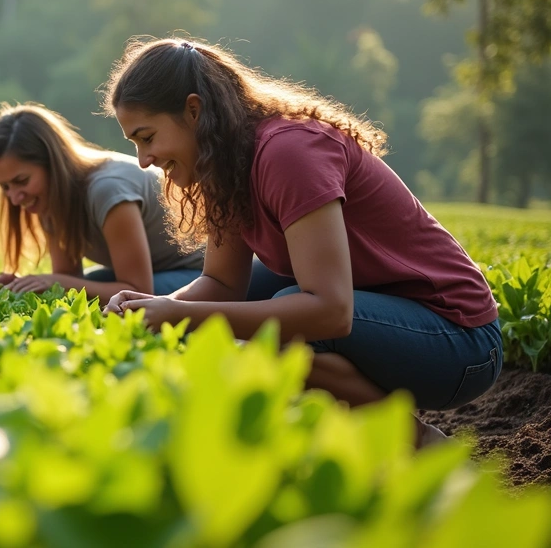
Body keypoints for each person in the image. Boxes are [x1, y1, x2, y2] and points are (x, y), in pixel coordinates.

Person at [101, 38, 501, 445]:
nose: (143, 161)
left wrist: (181, 316)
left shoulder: (288, 152)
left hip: (460, 344)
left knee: (287, 313)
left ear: (193, 111)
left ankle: (421, 444)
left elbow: (330, 311)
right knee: (259, 290)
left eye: (147, 138)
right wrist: (145, 310)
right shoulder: (226, 164)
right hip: (394, 325)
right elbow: (222, 284)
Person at [0, 103, 205, 304]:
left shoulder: (108, 189)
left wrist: (52, 283)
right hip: (156, 274)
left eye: (21, 181)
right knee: (58, 290)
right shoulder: (47, 200)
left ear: (53, 163)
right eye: (5, 187)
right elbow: (67, 277)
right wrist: (24, 285)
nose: (15, 198)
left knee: (89, 294)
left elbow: (137, 292)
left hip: (203, 275)